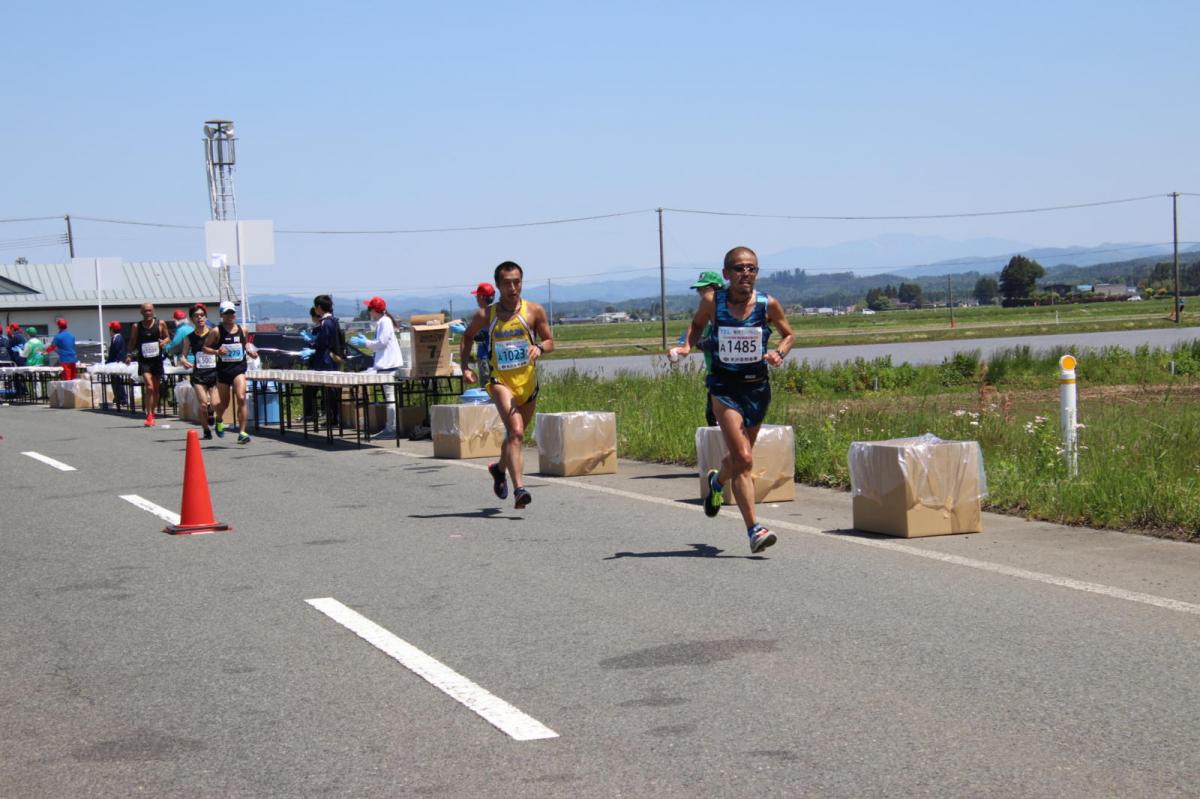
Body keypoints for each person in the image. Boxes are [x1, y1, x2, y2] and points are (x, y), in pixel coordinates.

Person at [670, 246, 795, 554]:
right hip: (724, 388)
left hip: (757, 388)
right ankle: (754, 529)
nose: (746, 274)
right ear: (726, 274)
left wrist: (779, 352)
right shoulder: (714, 302)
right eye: (739, 269)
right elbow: (697, 325)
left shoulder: (768, 304)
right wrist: (686, 346)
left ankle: (716, 482)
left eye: (751, 268)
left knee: (740, 459)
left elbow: (789, 334)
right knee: (745, 458)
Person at [459, 261, 554, 509]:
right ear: (499, 286)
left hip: (528, 384)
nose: (513, 287)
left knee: (514, 437)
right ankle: (519, 489)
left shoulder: (534, 311)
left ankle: (499, 469)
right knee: (517, 432)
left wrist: (540, 347)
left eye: (517, 282)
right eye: (507, 283)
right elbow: (467, 336)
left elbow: (550, 340)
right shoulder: (486, 315)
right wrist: (465, 367)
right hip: (500, 381)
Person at [673, 271, 725, 426]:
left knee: (720, 419)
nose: (700, 293)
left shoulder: (725, 311)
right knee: (713, 418)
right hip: (714, 373)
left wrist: (702, 344)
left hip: (727, 375)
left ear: (717, 288)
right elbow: (695, 326)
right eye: (698, 290)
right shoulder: (707, 313)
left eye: (703, 289)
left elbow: (719, 341)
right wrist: (685, 347)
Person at [350, 296, 404, 439]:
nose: (369, 313)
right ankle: (390, 427)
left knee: (390, 398)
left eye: (370, 309)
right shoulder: (383, 321)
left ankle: (391, 429)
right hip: (386, 365)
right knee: (389, 398)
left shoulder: (384, 322)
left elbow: (382, 343)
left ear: (374, 310)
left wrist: (366, 343)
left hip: (388, 366)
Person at [205, 300, 257, 444]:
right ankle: (219, 419)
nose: (230, 315)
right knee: (224, 404)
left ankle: (242, 432)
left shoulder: (243, 329)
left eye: (232, 312)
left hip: (239, 368)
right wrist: (216, 351)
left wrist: (251, 352)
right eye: (227, 313)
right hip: (223, 371)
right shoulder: (216, 331)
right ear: (222, 315)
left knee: (241, 397)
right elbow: (205, 348)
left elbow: (244, 345)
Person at [126, 303, 170, 426]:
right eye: (145, 311)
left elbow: (168, 337)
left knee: (155, 389)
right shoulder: (137, 326)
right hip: (144, 360)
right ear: (141, 312)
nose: (148, 313)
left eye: (150, 310)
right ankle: (149, 414)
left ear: (153, 311)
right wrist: (129, 355)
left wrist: (164, 342)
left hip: (156, 360)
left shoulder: (160, 324)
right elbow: (132, 342)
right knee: (149, 387)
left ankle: (153, 411)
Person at [179, 304, 218, 439]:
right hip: (199, 374)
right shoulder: (189, 337)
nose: (200, 318)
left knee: (213, 404)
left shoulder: (214, 333)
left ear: (206, 317)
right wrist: (183, 360)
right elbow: (183, 355)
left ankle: (211, 413)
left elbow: (223, 349)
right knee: (202, 404)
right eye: (196, 316)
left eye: (202, 315)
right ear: (192, 320)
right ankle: (206, 429)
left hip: (214, 373)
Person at [310, 294, 342, 427]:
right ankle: (333, 417)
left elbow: (323, 341)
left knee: (329, 391)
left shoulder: (326, 322)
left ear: (318, 307)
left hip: (325, 359)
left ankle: (333, 418)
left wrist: (312, 344)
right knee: (330, 391)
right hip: (331, 359)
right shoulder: (333, 320)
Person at [469, 282, 496, 384]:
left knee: (487, 385)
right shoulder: (493, 311)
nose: (476, 298)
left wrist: (465, 331)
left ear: (481, 297)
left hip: (486, 356)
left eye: (477, 296)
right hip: (486, 355)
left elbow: (481, 336)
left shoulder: (486, 314)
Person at [105, 321, 128, 406]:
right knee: (115, 382)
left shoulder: (117, 339)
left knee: (118, 382)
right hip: (115, 363)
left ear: (112, 329)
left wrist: (110, 362)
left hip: (117, 364)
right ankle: (118, 397)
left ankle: (122, 398)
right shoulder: (116, 338)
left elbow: (116, 353)